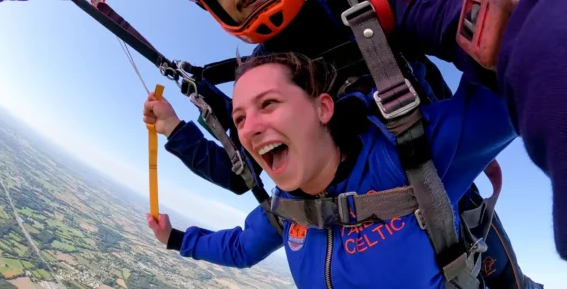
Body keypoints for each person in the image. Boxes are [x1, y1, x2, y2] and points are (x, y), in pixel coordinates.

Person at [156, 0, 549, 287]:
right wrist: (176, 139)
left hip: (438, 196)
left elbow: (484, 29)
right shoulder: (287, 206)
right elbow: (241, 183)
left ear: (323, 106)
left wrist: (513, 14)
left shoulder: (356, 8)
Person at [145, 46, 519, 288]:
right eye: (239, 119)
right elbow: (241, 247)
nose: (250, 127)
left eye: (269, 103)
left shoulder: (410, 157)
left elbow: (522, 68)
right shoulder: (285, 210)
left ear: (323, 108)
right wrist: (176, 240)